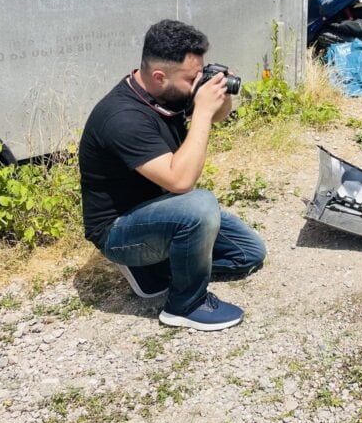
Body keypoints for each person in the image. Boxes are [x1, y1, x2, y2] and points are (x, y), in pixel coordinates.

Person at [79, 19, 266, 331]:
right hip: (120, 230)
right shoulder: (122, 118)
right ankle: (185, 304)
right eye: (192, 78)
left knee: (249, 253)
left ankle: (157, 268)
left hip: (161, 210)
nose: (196, 85)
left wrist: (220, 93)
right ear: (159, 76)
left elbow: (217, 115)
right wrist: (202, 111)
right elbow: (181, 181)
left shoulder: (168, 93)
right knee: (199, 204)